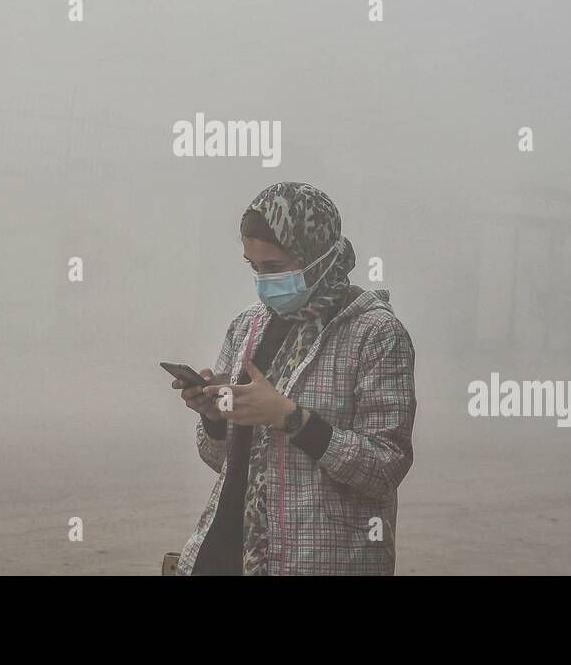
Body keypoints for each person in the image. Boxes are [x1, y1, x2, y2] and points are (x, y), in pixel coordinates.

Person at [168, 182, 416, 575]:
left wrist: (291, 417)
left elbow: (385, 467)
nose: (264, 282)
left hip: (320, 559)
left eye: (275, 268)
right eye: (254, 267)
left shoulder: (375, 334)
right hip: (227, 554)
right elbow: (224, 462)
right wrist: (213, 417)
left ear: (316, 256)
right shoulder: (248, 325)